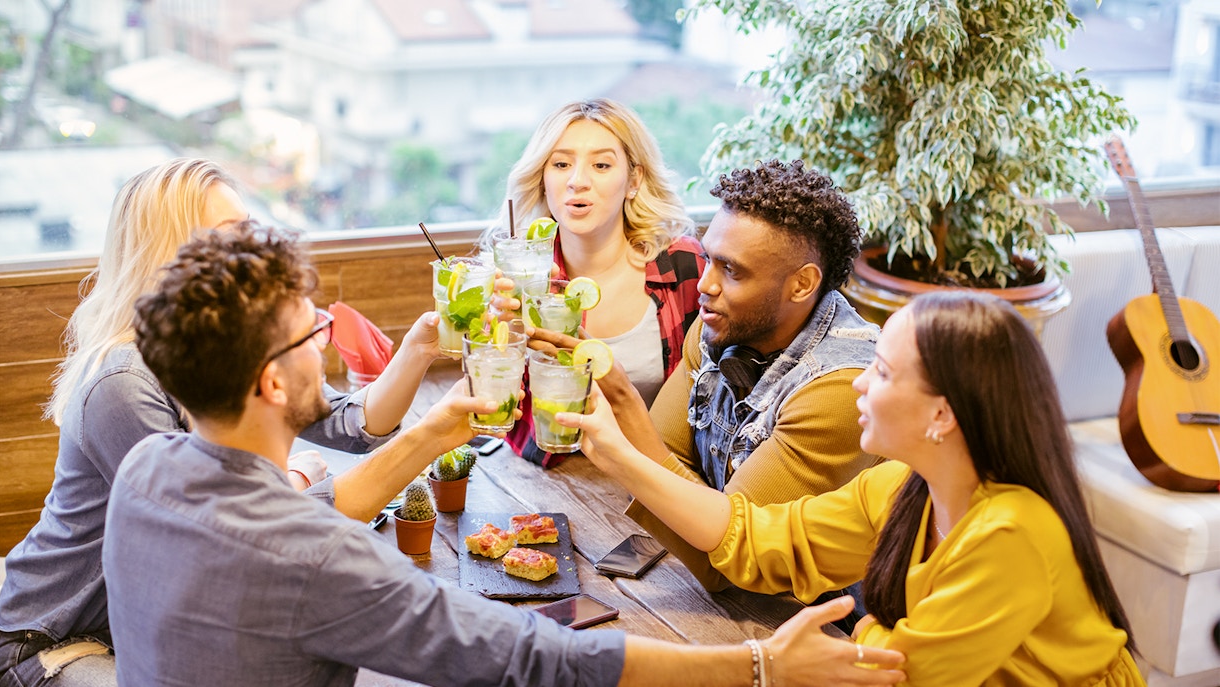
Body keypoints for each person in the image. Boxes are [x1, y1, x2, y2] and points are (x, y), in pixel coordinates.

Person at [102, 221, 906, 687]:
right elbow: (531, 655)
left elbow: (302, 517)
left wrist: (436, 430)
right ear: (274, 384)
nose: (329, 343)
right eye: (315, 334)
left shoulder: (151, 469)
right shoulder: (311, 561)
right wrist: (762, 662)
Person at [0, 158, 447, 686]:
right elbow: (220, 542)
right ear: (172, 256)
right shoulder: (121, 384)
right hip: (57, 641)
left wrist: (418, 349)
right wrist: (301, 480)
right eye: (231, 239)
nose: (251, 255)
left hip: (150, 621)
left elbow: (350, 425)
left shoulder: (231, 346)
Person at [561, 290, 1145, 685]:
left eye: (884, 372)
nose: (860, 382)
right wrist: (620, 459)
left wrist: (865, 627)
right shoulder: (900, 488)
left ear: (942, 415)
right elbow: (760, 539)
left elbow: (899, 673)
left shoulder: (1011, 532)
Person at [533, 159, 883, 594]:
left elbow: (730, 563)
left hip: (827, 622)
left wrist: (622, 400)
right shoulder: (721, 325)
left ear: (801, 284)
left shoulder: (840, 390)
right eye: (709, 260)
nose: (704, 285)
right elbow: (666, 462)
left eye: (731, 271)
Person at [488, 98, 705, 466]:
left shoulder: (685, 266)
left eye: (601, 165)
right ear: (542, 180)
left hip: (662, 475)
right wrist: (500, 345)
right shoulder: (517, 277)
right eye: (561, 164)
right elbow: (493, 409)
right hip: (554, 476)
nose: (577, 182)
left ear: (633, 181)